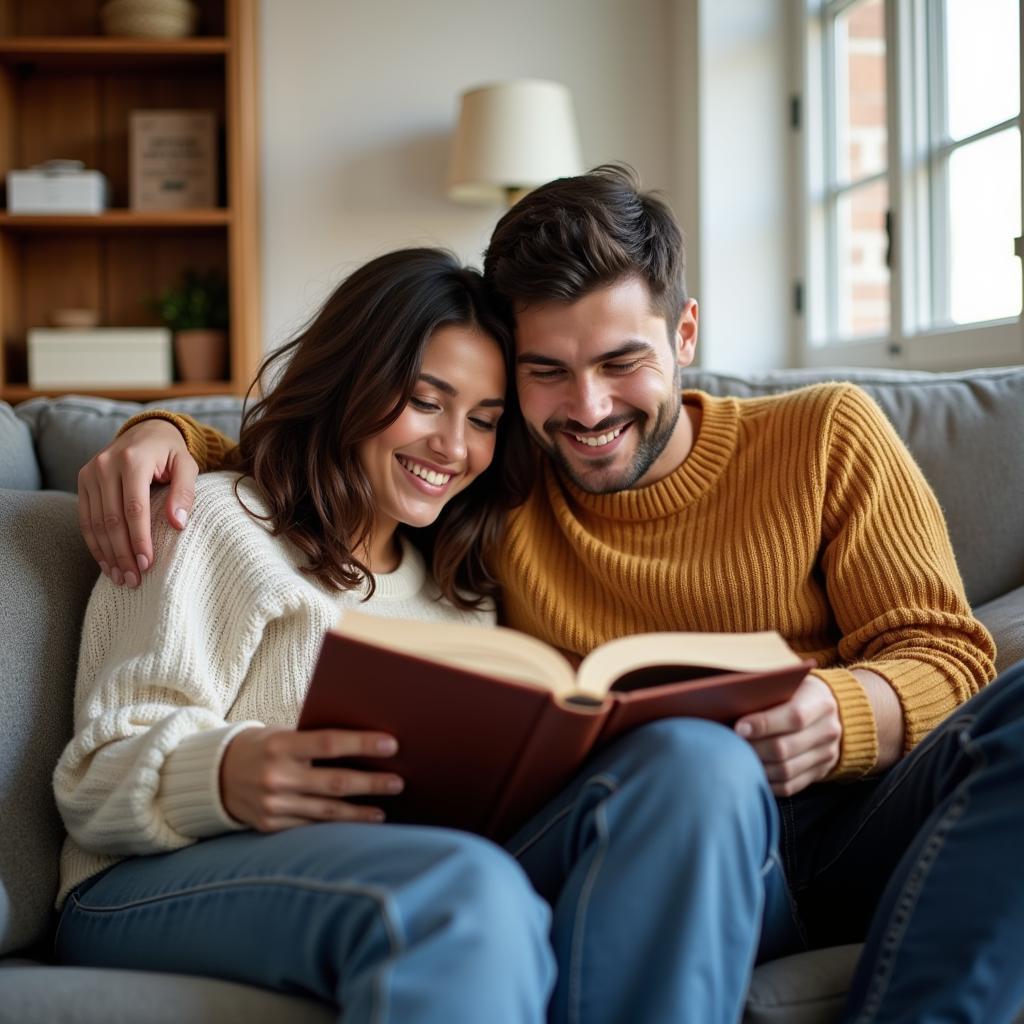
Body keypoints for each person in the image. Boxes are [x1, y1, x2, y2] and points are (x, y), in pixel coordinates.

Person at [78, 167, 1024, 1024]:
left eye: (621, 362)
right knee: (696, 763)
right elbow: (330, 461)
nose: (589, 409)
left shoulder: (828, 434)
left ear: (685, 333)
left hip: (853, 821)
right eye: (545, 375)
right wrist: (160, 435)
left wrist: (851, 706)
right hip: (668, 818)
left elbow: (949, 649)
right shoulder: (503, 482)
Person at [55, 248, 557, 1023]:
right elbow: (90, 782)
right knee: (463, 894)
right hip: (137, 882)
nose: (455, 447)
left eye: (485, 422)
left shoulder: (462, 597)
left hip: (369, 872)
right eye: (427, 402)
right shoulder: (218, 522)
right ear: (355, 379)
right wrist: (223, 773)